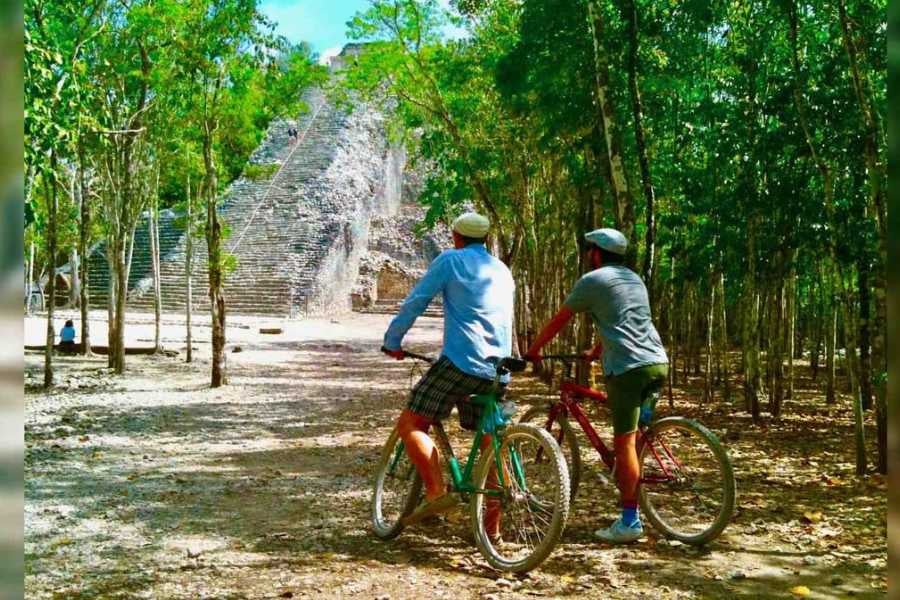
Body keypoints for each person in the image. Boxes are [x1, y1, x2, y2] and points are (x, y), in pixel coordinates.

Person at [525, 228, 668, 543]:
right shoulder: (634, 279)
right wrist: (595, 351)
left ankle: (630, 521)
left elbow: (559, 320)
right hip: (657, 362)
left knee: (624, 443)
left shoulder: (593, 281)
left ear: (598, 253)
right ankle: (639, 460)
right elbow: (623, 321)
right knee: (635, 433)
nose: (588, 255)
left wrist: (533, 350)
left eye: (589, 250)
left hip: (628, 369)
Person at [382, 211, 515, 531]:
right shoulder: (502, 270)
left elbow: (417, 301)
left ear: (456, 237)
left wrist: (393, 340)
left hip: (461, 361)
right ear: (485, 239)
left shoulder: (450, 261)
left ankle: (435, 492)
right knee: (489, 440)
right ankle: (491, 529)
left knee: (412, 422)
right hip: (499, 367)